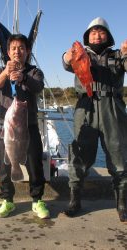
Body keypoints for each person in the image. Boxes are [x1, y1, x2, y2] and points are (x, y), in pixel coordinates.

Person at [62, 17, 127, 222]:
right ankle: (75, 199)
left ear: (107, 36)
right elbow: (65, 63)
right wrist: (67, 55)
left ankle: (122, 202)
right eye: (93, 32)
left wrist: (126, 53)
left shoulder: (118, 55)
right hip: (86, 107)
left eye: (101, 32)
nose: (97, 35)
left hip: (112, 107)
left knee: (118, 154)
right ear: (87, 36)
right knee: (80, 153)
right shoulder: (80, 54)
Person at [0, 33, 50, 219]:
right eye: (14, 48)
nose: (17, 51)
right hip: (6, 128)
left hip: (29, 126)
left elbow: (38, 87)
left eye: (21, 48)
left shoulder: (34, 71)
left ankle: (37, 200)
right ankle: (7, 200)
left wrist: (23, 77)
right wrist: (6, 73)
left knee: (34, 164)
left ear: (28, 51)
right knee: (4, 165)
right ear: (8, 52)